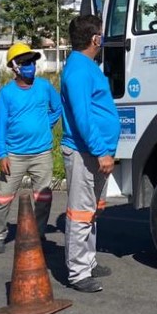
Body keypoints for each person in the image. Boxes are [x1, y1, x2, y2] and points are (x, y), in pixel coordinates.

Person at [59, 15, 120, 293]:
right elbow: (83, 117)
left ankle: (88, 261)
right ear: (95, 39)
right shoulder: (79, 70)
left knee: (91, 212)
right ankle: (78, 273)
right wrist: (100, 151)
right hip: (86, 153)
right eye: (101, 35)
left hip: (95, 152)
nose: (103, 38)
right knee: (81, 213)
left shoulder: (86, 66)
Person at [0, 42, 62, 255]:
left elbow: (57, 108)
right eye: (24, 62)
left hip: (42, 153)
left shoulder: (45, 87)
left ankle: (37, 234)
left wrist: (45, 125)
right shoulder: (6, 93)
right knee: (3, 197)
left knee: (43, 197)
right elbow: (0, 125)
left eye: (31, 61)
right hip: (14, 155)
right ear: (14, 66)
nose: (30, 65)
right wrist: (2, 154)